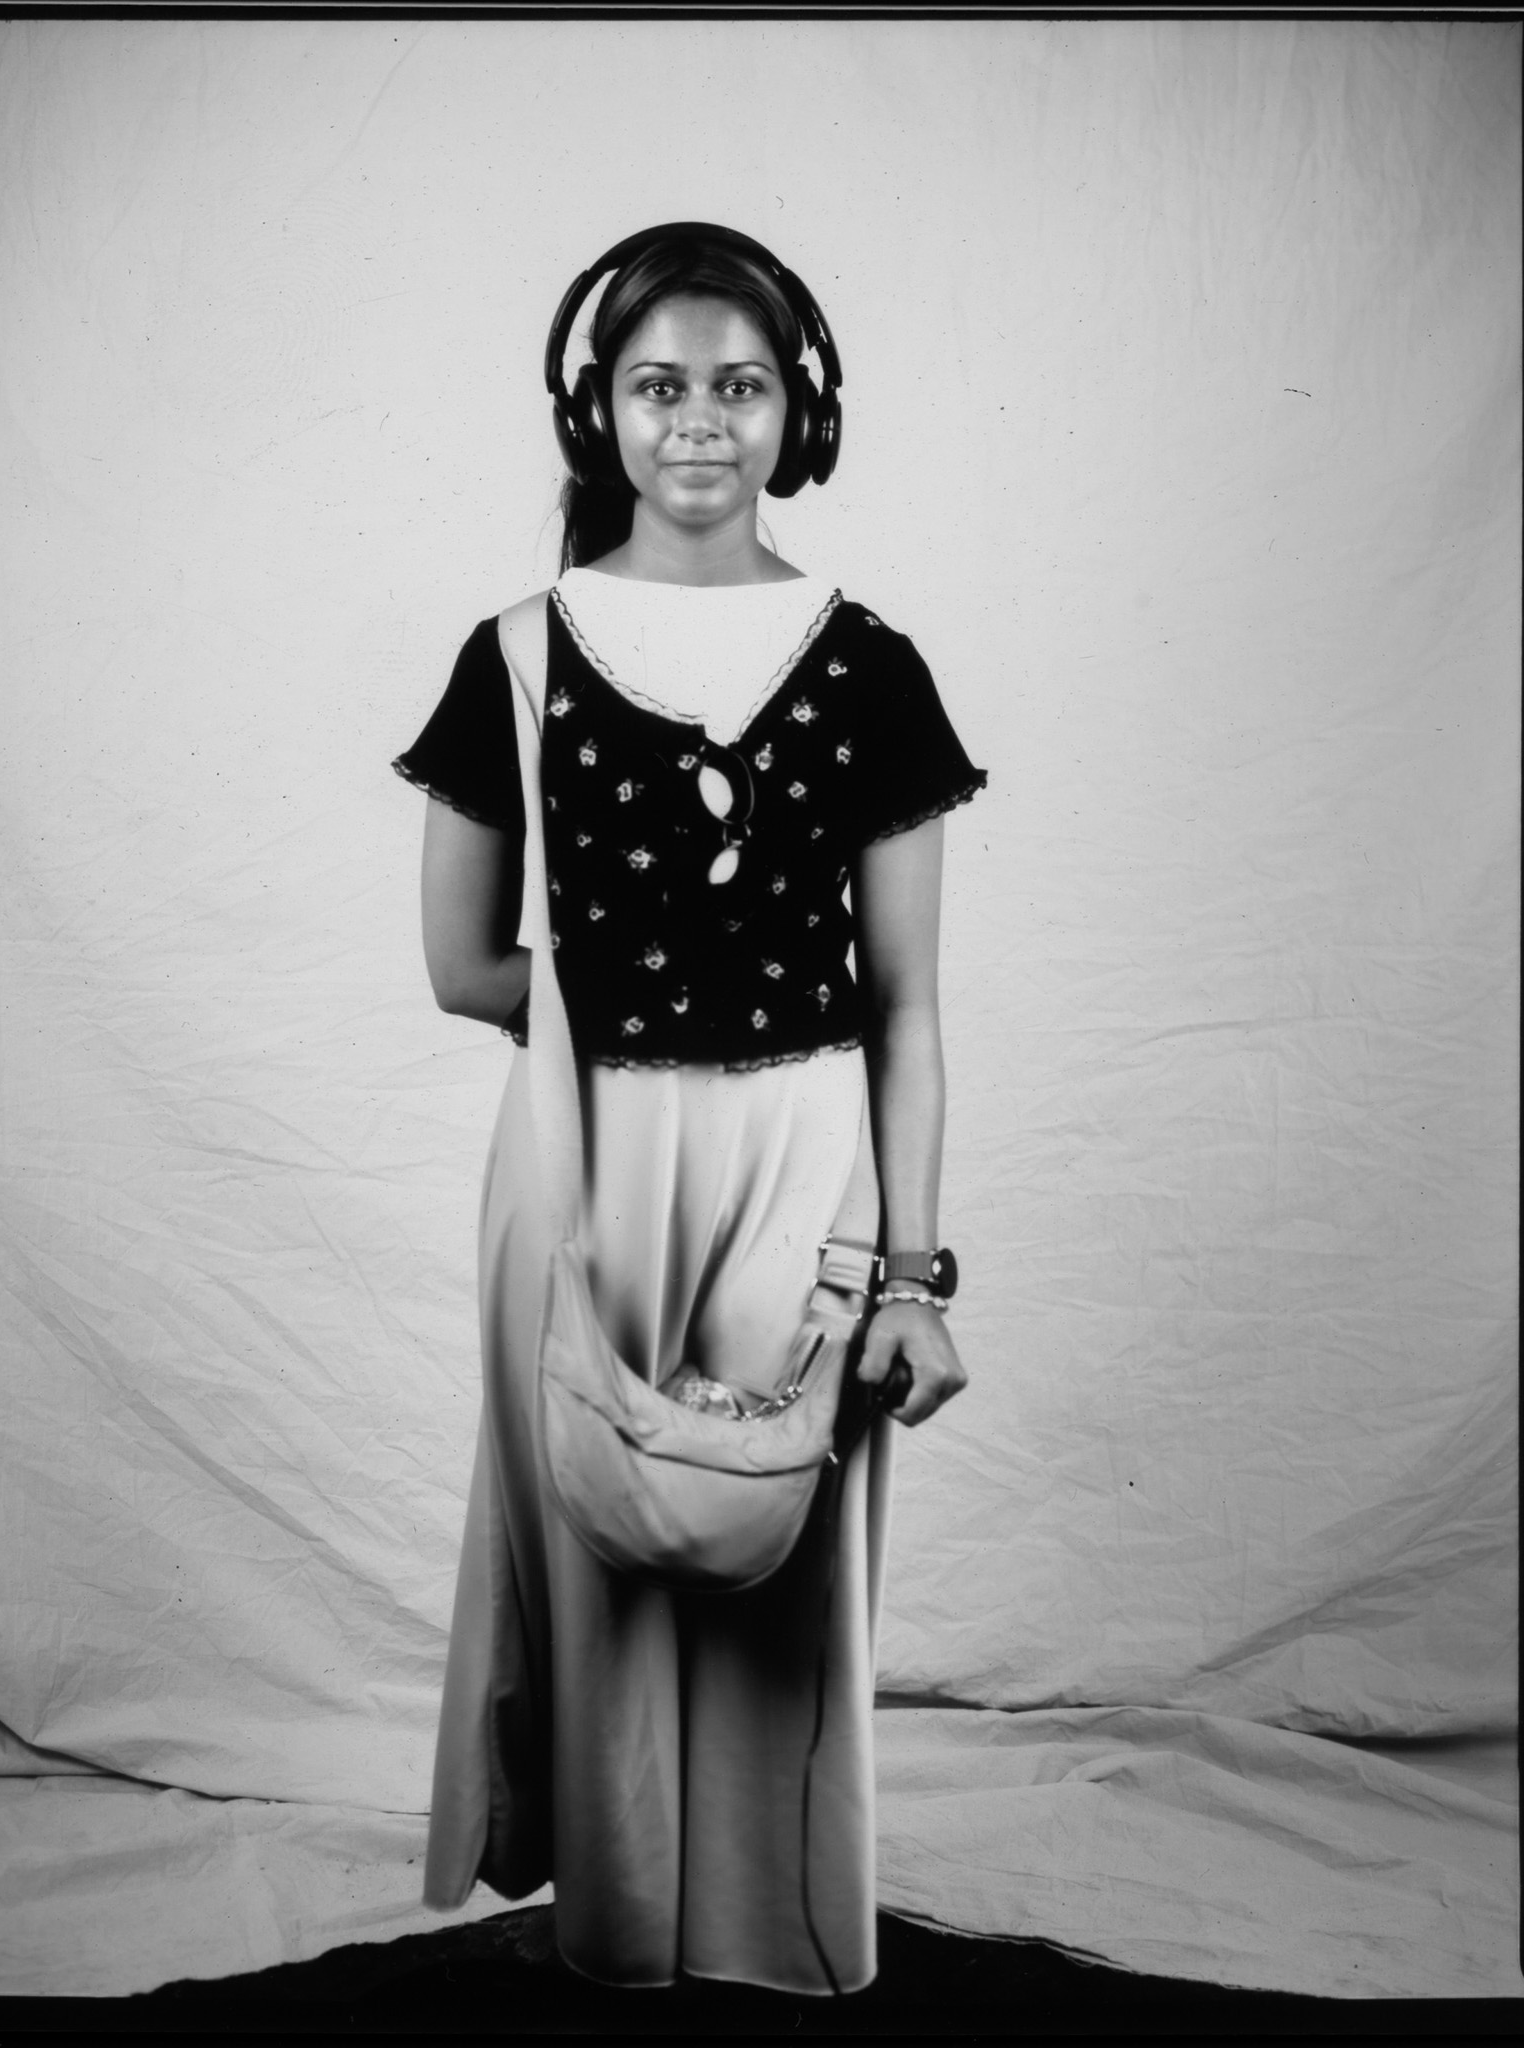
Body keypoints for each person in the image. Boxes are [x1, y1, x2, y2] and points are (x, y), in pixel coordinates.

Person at [392, 223, 986, 1995]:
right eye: (662, 386)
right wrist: (627, 1045)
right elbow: (461, 967)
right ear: (603, 411)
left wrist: (913, 1277)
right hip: (587, 1154)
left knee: (772, 1536)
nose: (702, 422)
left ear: (799, 410)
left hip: (813, 1153)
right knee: (605, 1536)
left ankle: (773, 1947)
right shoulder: (515, 652)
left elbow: (910, 1007)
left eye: (741, 385)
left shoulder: (869, 662)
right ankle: (621, 1943)